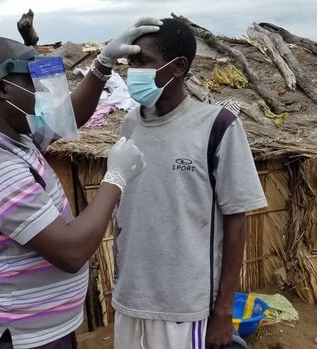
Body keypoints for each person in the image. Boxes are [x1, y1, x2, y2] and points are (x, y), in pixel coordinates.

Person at [0, 18, 160, 349]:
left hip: (35, 329)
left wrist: (102, 65)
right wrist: (115, 178)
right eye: (31, 80)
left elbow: (66, 118)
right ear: (2, 89)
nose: (41, 91)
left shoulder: (10, 136)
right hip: (17, 338)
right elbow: (71, 251)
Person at [113, 18, 268, 349]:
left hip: (185, 308)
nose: (133, 72)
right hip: (130, 299)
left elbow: (236, 220)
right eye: (130, 62)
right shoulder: (129, 125)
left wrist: (223, 310)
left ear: (178, 67)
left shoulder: (217, 127)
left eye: (143, 62)